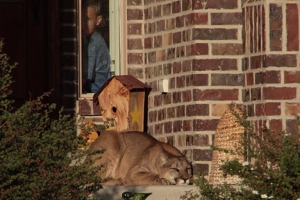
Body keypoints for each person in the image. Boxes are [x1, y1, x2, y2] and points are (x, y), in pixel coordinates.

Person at [82, 0, 110, 93]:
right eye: (80, 19)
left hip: (96, 90)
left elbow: (86, 78)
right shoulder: (90, 39)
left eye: (87, 19)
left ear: (98, 20)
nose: (83, 24)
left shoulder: (94, 43)